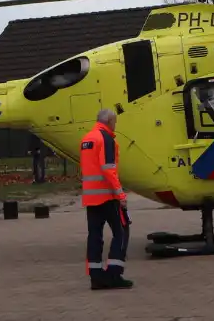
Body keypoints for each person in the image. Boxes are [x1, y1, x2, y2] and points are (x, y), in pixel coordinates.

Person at [80, 108, 133, 290]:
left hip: (91, 198)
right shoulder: (106, 138)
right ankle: (114, 274)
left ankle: (96, 277)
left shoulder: (87, 139)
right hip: (107, 197)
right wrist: (121, 195)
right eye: (115, 122)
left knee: (94, 236)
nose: (115, 125)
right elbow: (108, 168)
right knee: (122, 231)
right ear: (109, 121)